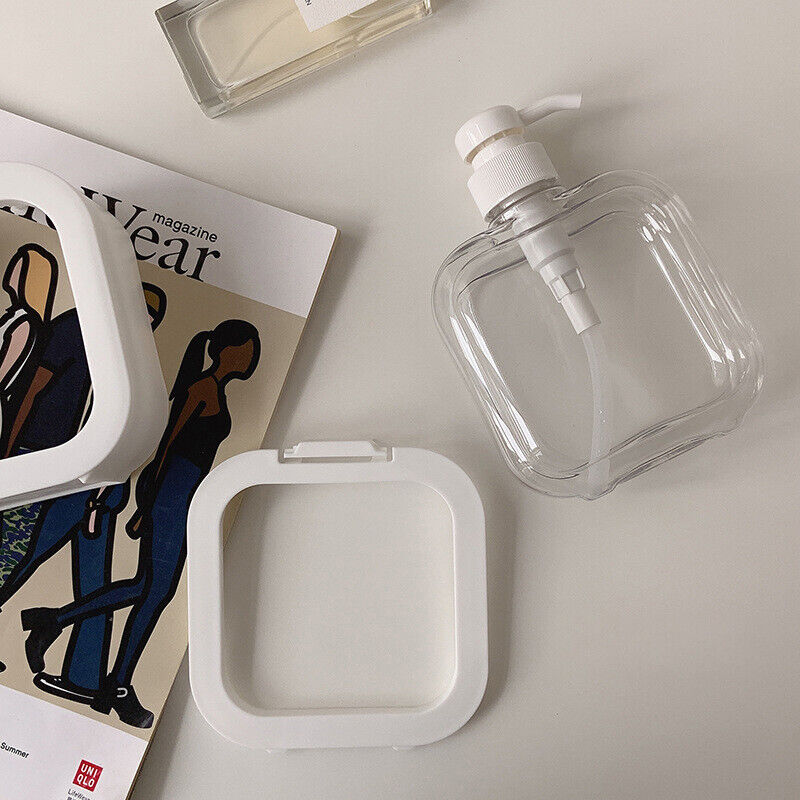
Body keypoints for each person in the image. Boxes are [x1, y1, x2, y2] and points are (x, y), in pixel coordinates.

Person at [21, 320, 261, 728]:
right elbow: (166, 446)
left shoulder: (215, 390)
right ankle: (102, 670)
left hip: (187, 496)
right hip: (170, 495)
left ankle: (78, 644)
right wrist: (145, 505)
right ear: (226, 349)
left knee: (152, 591)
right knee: (154, 589)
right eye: (247, 348)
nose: (251, 356)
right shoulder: (201, 388)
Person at [0, 284, 167, 692]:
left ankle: (84, 677)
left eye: (153, 318)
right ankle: (57, 636)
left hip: (100, 478)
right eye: (143, 310)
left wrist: (109, 488)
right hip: (43, 461)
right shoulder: (75, 328)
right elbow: (31, 390)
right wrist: (8, 454)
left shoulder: (132, 359)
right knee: (16, 556)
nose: (146, 322)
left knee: (92, 574)